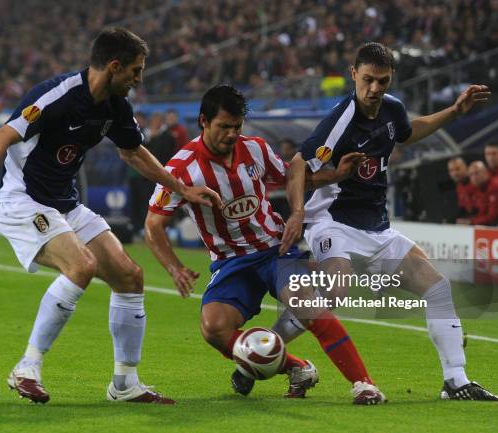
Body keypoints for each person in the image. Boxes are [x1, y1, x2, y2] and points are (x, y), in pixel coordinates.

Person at [0, 27, 221, 405]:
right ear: (114, 66)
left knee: (130, 276)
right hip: (24, 201)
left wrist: (180, 188)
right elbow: (0, 138)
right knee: (82, 266)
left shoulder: (116, 106)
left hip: (65, 204)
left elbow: (133, 152)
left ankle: (124, 383)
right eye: (136, 71)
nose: (139, 79)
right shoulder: (57, 96)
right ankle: (27, 367)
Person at [282, 42, 498, 401]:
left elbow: (409, 131)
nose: (374, 89)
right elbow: (296, 166)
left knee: (438, 287)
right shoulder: (339, 121)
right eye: (367, 80)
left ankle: (456, 381)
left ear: (390, 79)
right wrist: (301, 208)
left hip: (378, 229)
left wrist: (454, 111)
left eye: (382, 81)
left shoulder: (391, 109)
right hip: (334, 223)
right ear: (353, 74)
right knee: (335, 288)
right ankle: (267, 349)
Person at [145, 84, 386, 404]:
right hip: (231, 261)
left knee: (308, 305)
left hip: (275, 249)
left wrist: (336, 175)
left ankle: (364, 385)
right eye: (224, 127)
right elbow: (153, 225)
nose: (231, 134)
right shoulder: (180, 168)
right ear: (203, 121)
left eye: (237, 127)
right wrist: (174, 268)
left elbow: (291, 178)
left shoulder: (255, 148)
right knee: (214, 328)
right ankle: (297, 368)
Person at [457, 161, 498, 226]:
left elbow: (493, 217)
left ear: (485, 172)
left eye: (477, 173)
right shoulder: (478, 188)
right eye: (471, 175)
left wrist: (471, 222)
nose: (474, 177)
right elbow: (481, 212)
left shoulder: (496, 188)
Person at [447, 157, 478, 222]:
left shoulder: (477, 182)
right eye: (451, 170)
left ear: (466, 168)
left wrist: (470, 221)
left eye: (457, 169)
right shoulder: (459, 186)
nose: (455, 173)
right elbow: (463, 208)